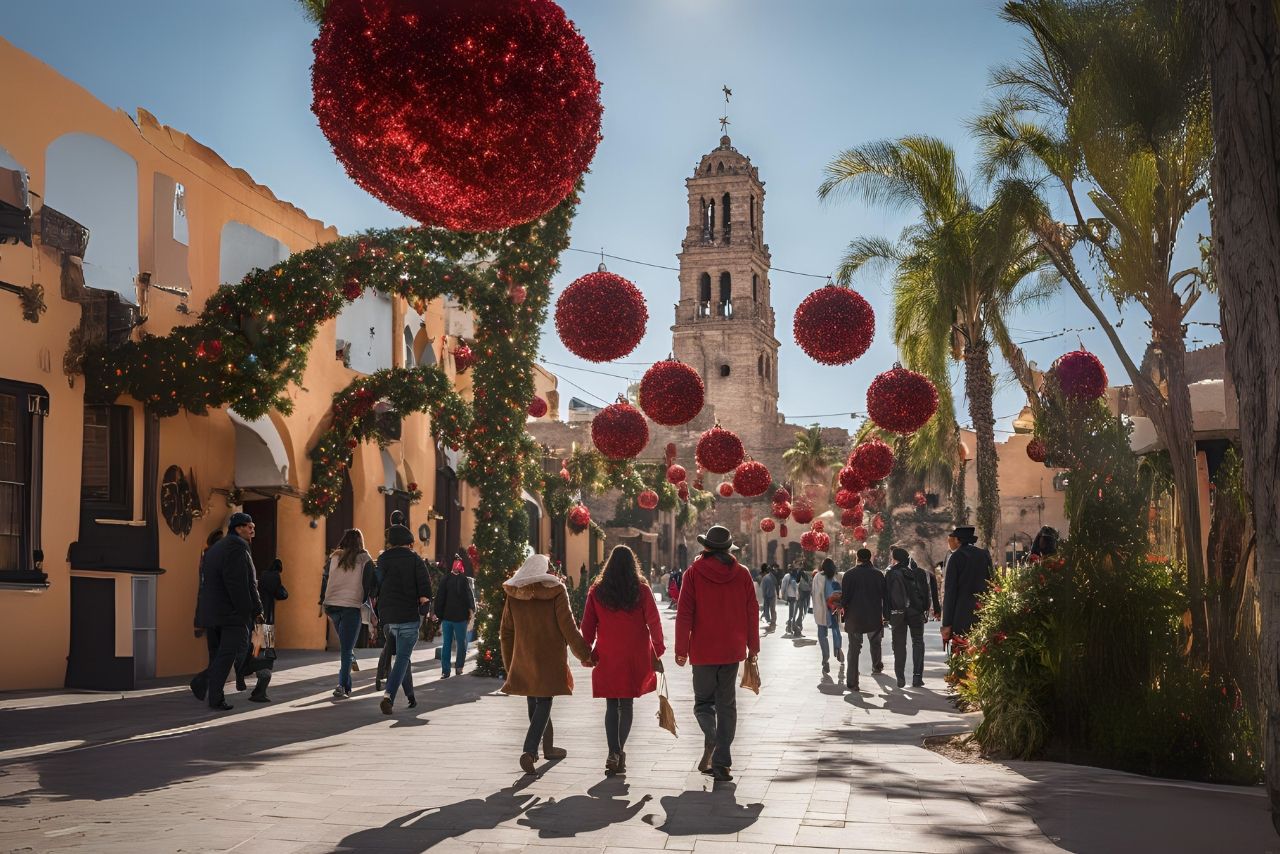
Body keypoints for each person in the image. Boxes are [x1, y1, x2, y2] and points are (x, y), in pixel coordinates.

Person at [674, 525, 760, 783]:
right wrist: (753, 647)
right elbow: (752, 611)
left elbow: (684, 613)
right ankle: (722, 763)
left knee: (703, 703)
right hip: (732, 650)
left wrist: (681, 650)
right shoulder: (742, 574)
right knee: (727, 705)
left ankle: (711, 737)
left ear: (706, 547)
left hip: (702, 650)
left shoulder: (693, 574)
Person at [500, 553, 594, 775]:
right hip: (550, 657)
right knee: (544, 701)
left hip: (524, 657)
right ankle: (530, 750)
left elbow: (506, 632)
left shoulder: (515, 594)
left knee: (534, 700)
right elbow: (568, 627)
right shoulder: (556, 591)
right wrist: (584, 654)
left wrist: (509, 664)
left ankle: (548, 748)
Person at [581, 545, 665, 775]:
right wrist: (658, 648)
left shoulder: (597, 591)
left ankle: (613, 752)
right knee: (626, 704)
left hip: (608, 652)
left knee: (611, 704)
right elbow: (654, 621)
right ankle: (618, 751)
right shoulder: (641, 590)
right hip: (634, 653)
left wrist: (586, 652)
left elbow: (587, 626)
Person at [193, 513, 260, 711]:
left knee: (219, 656)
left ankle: (214, 697)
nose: (252, 531)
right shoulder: (237, 547)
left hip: (212, 612)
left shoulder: (214, 549)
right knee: (229, 654)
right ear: (238, 528)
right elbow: (240, 583)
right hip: (230, 612)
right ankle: (202, 683)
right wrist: (250, 611)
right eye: (250, 526)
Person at [374, 521, 431, 714]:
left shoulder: (383, 559)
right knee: (403, 657)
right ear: (409, 542)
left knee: (402, 657)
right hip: (407, 615)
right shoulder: (415, 560)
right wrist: (425, 609)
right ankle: (388, 697)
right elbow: (425, 591)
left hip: (388, 618)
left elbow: (375, 585)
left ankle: (410, 695)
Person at [322, 528, 376, 698]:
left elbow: (325, 579)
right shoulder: (365, 558)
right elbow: (370, 584)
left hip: (332, 605)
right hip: (351, 606)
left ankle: (346, 684)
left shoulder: (334, 557)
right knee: (346, 649)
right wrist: (363, 600)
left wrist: (323, 600)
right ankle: (342, 687)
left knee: (346, 647)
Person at [840, 548, 886, 692]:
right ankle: (877, 665)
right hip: (873, 616)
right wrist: (886, 615)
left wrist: (841, 608)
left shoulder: (849, 574)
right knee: (875, 642)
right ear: (870, 558)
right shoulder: (878, 575)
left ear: (857, 558)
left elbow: (844, 599)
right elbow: (885, 596)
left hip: (854, 617)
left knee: (854, 649)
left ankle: (852, 682)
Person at [885, 547, 931, 687]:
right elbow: (926, 593)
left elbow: (886, 596)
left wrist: (886, 615)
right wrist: (925, 609)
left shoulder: (891, 573)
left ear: (895, 559)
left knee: (899, 644)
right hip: (916, 612)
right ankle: (917, 677)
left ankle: (900, 677)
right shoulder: (919, 572)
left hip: (897, 613)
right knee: (918, 642)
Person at [942, 526, 993, 646]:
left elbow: (950, 591)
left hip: (961, 613)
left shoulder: (955, 557)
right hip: (982, 610)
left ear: (957, 540)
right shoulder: (984, 555)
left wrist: (946, 623)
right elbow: (992, 582)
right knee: (980, 648)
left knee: (962, 649)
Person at [434, 554, 475, 678]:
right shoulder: (448, 579)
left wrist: (471, 610)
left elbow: (469, 596)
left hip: (458, 618)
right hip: (450, 618)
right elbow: (440, 597)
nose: (457, 565)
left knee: (458, 644)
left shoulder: (462, 580)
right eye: (455, 563)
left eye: (458, 563)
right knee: (449, 644)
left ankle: (456, 668)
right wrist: (438, 613)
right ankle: (448, 670)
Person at [811, 558, 844, 673]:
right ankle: (838, 648)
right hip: (833, 608)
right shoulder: (835, 576)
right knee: (836, 630)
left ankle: (825, 659)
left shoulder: (818, 577)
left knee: (822, 635)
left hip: (821, 610)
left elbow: (814, 593)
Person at [780, 568, 800, 635]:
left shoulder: (787, 576)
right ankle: (789, 628)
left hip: (791, 596)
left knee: (792, 613)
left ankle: (790, 627)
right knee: (792, 614)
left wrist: (783, 594)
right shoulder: (792, 576)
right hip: (792, 597)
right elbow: (796, 587)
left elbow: (783, 586)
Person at [759, 562, 778, 629]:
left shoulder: (764, 578)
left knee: (767, 609)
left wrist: (764, 596)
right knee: (772, 609)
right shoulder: (771, 576)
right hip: (772, 595)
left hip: (768, 596)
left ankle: (770, 621)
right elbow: (776, 584)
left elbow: (764, 589)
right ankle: (772, 622)